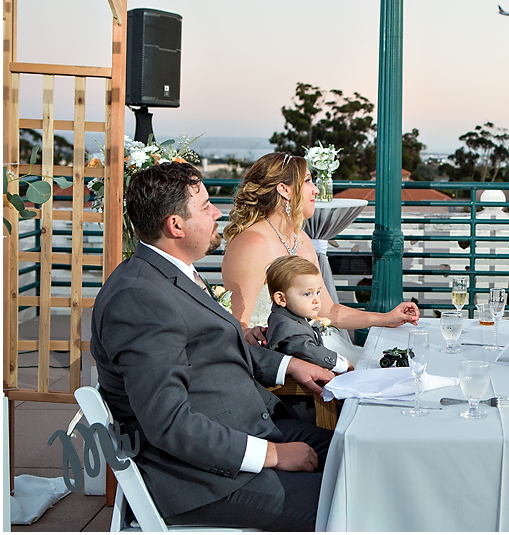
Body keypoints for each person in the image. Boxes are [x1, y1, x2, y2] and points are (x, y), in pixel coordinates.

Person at [90, 162, 335, 530]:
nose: (217, 211)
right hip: (207, 481)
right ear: (175, 225)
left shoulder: (171, 271)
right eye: (205, 206)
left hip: (250, 426)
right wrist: (273, 455)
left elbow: (215, 344)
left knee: (362, 452)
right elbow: (169, 424)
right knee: (356, 498)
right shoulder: (139, 298)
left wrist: (289, 367)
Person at [221, 152, 419, 363]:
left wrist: (386, 318)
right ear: (284, 190)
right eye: (307, 181)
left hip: (313, 345)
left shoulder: (303, 239)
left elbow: (328, 311)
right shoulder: (252, 243)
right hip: (275, 354)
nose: (315, 189)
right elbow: (236, 326)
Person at [265, 255, 352, 374]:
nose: (316, 300)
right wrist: (340, 363)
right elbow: (307, 351)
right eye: (307, 294)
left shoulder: (291, 317)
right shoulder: (286, 327)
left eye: (318, 292)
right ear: (281, 299)